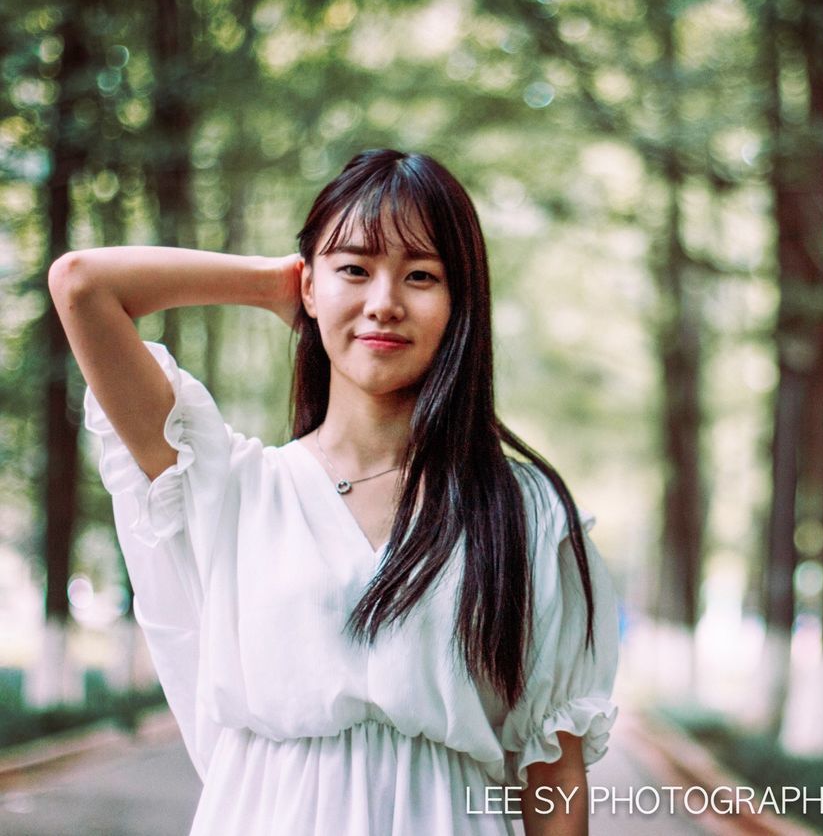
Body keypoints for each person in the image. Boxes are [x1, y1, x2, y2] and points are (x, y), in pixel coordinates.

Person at [48, 148, 620, 835]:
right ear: (309, 286)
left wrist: (333, 276)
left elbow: (553, 774)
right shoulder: (230, 486)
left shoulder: (522, 512)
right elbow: (82, 286)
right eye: (355, 268)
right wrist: (276, 284)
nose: (385, 303)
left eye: (421, 275)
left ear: (461, 303)